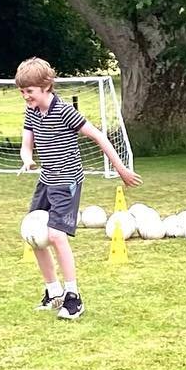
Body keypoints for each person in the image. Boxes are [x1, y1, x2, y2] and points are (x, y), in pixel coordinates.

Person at [16, 57, 140, 320]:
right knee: (33, 233)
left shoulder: (64, 111)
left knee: (57, 235)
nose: (26, 96)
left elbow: (99, 136)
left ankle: (74, 297)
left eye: (30, 91)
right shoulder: (32, 111)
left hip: (67, 181)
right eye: (22, 91)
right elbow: (27, 143)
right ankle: (54, 292)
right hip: (47, 180)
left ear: (46, 86)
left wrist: (121, 169)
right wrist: (27, 158)